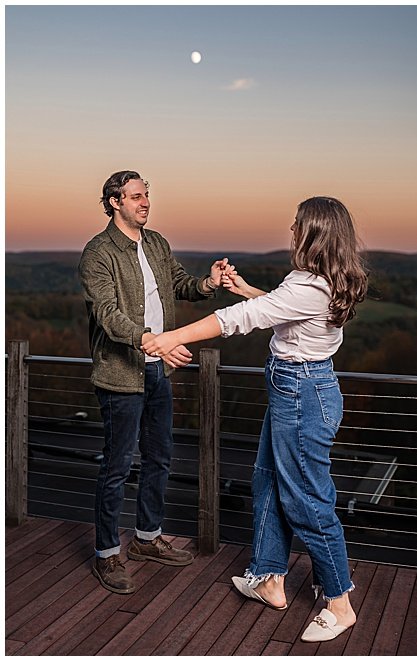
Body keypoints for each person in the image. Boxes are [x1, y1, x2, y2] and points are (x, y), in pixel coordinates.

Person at [143, 196, 371, 643]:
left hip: (303, 396)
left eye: (296, 226)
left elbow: (239, 321)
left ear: (314, 233)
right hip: (294, 392)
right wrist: (246, 288)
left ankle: (340, 603)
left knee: (307, 499)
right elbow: (280, 310)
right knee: (267, 479)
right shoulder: (314, 280)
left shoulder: (310, 285)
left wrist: (170, 336)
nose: (291, 231)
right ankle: (269, 578)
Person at [79, 170, 231, 593]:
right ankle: (107, 555)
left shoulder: (158, 243)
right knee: (117, 466)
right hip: (120, 374)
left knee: (160, 458)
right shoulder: (98, 253)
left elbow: (179, 285)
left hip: (157, 372)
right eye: (136, 197)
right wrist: (152, 342)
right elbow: (107, 315)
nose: (145, 203)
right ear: (114, 202)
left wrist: (208, 283)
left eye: (147, 195)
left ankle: (147, 540)